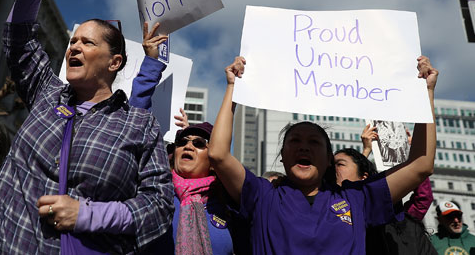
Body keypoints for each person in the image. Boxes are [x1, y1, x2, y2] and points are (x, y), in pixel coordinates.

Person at [0, 0, 173, 254]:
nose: (74, 46)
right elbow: (16, 37)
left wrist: (87, 214)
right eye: (73, 41)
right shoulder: (48, 92)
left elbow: (158, 205)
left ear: (114, 62)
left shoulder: (139, 125)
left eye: (87, 42)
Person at [208, 55, 438, 254]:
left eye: (314, 142)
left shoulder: (356, 199)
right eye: (295, 141)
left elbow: (421, 165)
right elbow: (218, 155)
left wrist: (425, 91)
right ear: (282, 156)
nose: (304, 147)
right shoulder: (262, 195)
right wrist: (232, 88)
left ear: (329, 158)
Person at [128, 24, 247, 254]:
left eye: (199, 143)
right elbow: (134, 125)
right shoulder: (153, 189)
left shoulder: (229, 204)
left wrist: (234, 86)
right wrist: (152, 65)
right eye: (182, 141)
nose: (189, 144)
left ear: (214, 161)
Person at [334, 145, 435, 255]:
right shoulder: (329, 216)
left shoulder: (407, 226)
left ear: (364, 177)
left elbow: (422, 174)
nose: (331, 169)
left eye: (339, 164)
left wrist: (409, 149)